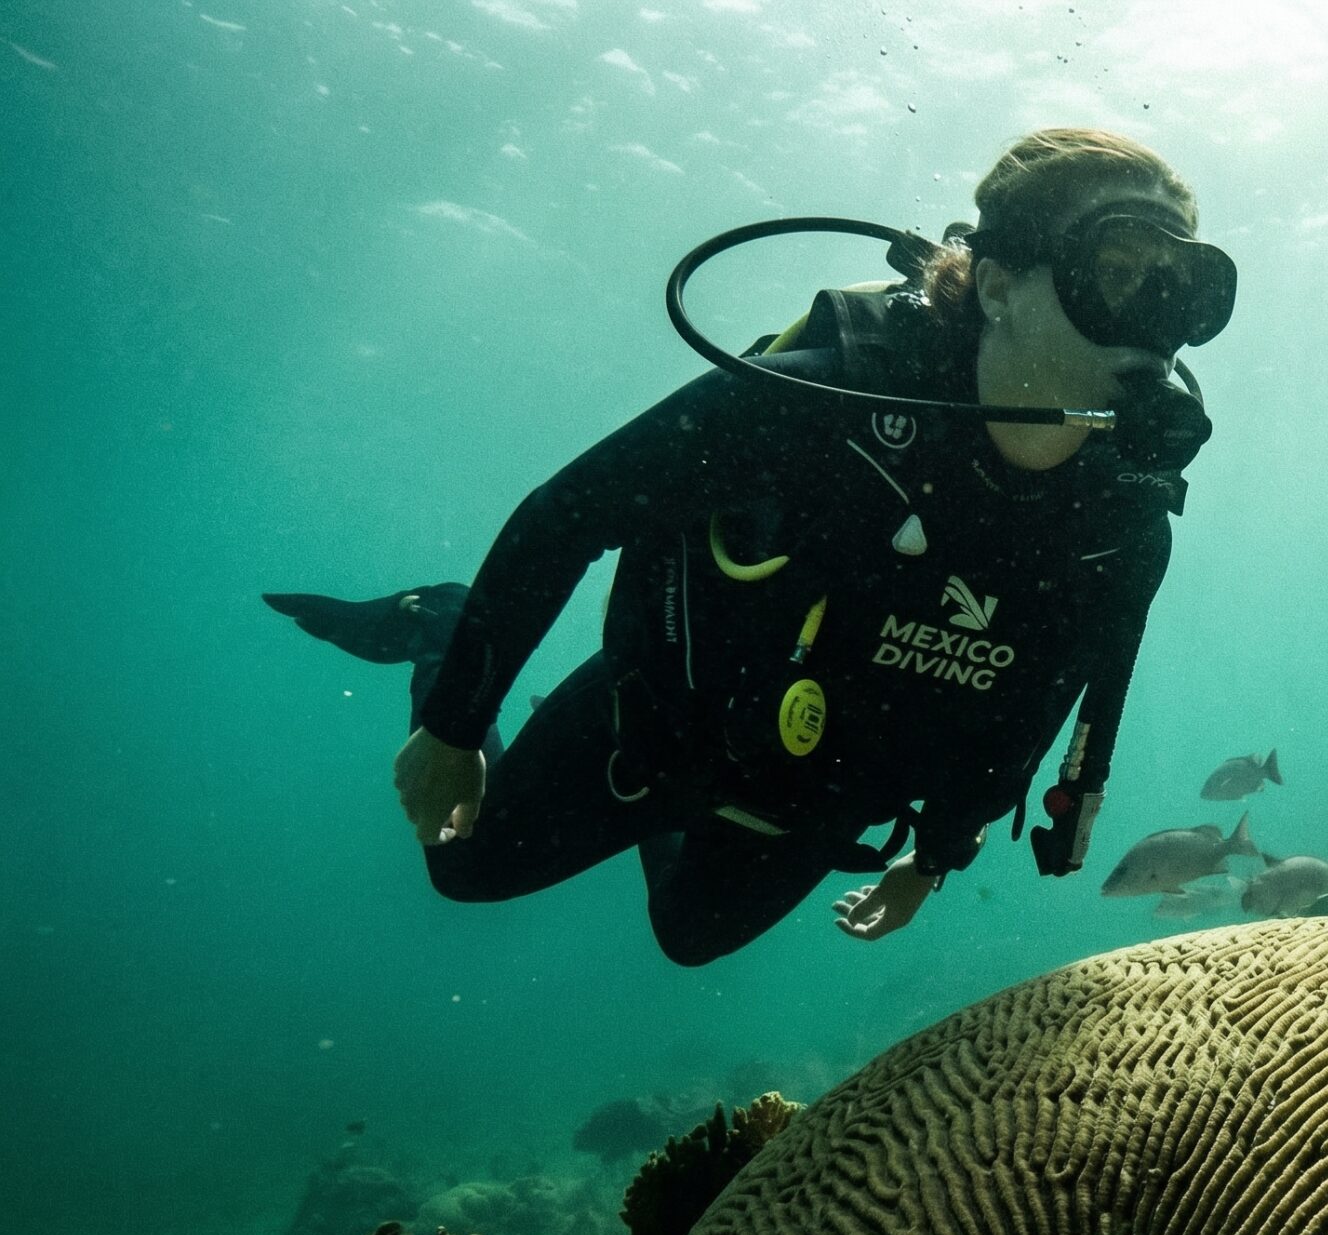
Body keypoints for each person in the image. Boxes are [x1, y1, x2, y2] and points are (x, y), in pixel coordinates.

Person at [265, 129, 1233, 964]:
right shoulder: (818, 403)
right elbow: (569, 512)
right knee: (464, 873)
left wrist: (939, 852)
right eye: (1116, 272)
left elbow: (1054, 691)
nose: (1153, 324)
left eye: (1174, 288)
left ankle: (692, 817)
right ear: (999, 284)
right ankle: (433, 621)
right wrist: (453, 719)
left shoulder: (1125, 515)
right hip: (659, 720)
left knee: (691, 939)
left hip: (820, 789)